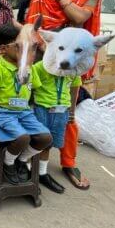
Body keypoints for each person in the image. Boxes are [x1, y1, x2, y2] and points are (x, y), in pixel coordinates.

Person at [25, 0, 102, 190]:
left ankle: (68, 162)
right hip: (44, 56)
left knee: (68, 112)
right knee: (36, 110)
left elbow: (80, 18)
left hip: (73, 63)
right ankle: (30, 163)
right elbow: (32, 25)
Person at [0, 23, 52, 185]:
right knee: (22, 138)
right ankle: (8, 162)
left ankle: (22, 159)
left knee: (45, 138)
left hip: (24, 112)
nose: (23, 50)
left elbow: (33, 93)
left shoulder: (29, 68)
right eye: (18, 46)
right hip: (2, 112)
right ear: (3, 49)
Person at [31, 60, 81, 193]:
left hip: (62, 110)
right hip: (42, 108)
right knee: (37, 141)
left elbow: (75, 87)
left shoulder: (74, 67)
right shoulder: (41, 66)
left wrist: (71, 111)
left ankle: (41, 173)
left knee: (49, 144)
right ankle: (29, 172)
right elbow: (30, 86)